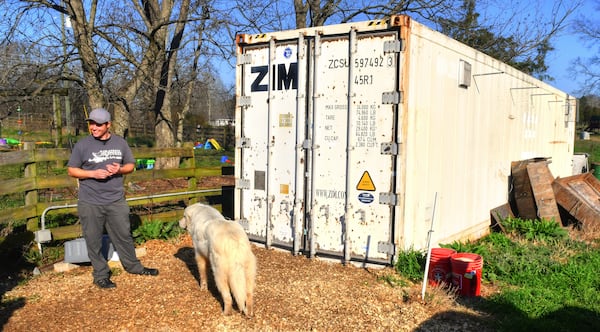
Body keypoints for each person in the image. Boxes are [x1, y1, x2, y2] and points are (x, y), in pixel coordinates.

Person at [67, 108, 158, 289]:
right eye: (92, 123)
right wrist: (93, 174)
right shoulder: (83, 145)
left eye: (98, 124)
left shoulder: (120, 143)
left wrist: (119, 169)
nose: (94, 127)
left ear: (108, 125)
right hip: (90, 201)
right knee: (93, 240)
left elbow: (130, 165)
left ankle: (133, 266)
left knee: (124, 235)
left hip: (116, 200)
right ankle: (100, 274)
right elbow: (72, 170)